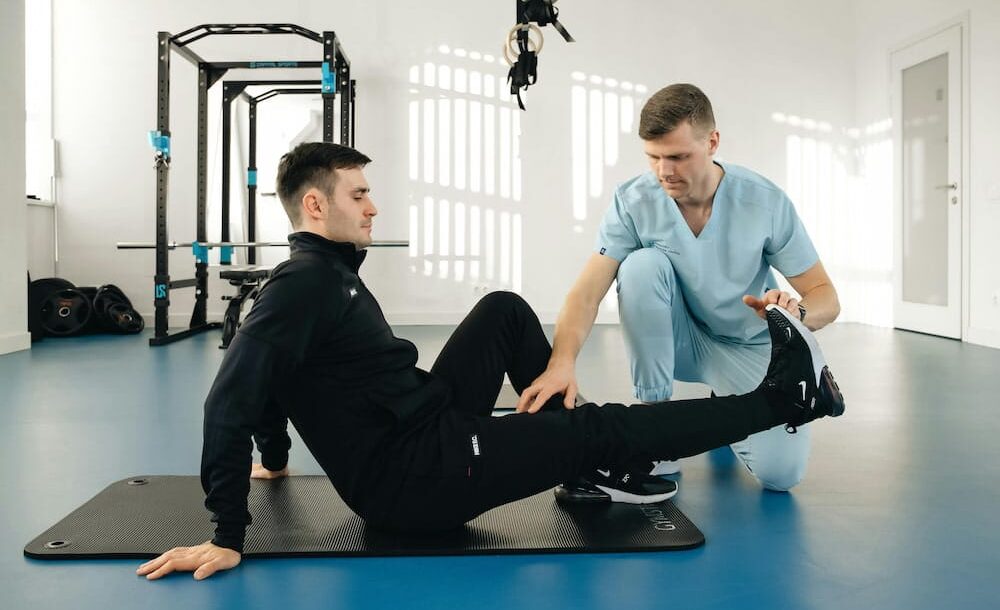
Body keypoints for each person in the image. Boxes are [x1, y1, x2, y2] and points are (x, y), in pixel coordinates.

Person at [136, 142, 844, 581]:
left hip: (423, 424)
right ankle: (788, 400)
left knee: (505, 309)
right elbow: (230, 398)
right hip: (418, 479)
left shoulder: (324, 274)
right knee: (595, 430)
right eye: (360, 195)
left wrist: (278, 456)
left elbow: (276, 383)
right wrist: (228, 534)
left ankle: (590, 470)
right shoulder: (305, 285)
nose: (374, 207)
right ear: (316, 205)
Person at [518, 83, 841, 492]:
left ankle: (720, 402)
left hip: (746, 344)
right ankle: (654, 424)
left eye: (678, 157)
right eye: (653, 157)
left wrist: (794, 314)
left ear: (712, 142)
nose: (664, 171)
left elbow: (826, 296)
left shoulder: (764, 201)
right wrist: (561, 362)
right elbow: (586, 292)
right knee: (640, 266)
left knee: (781, 476)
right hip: (680, 339)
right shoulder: (634, 200)